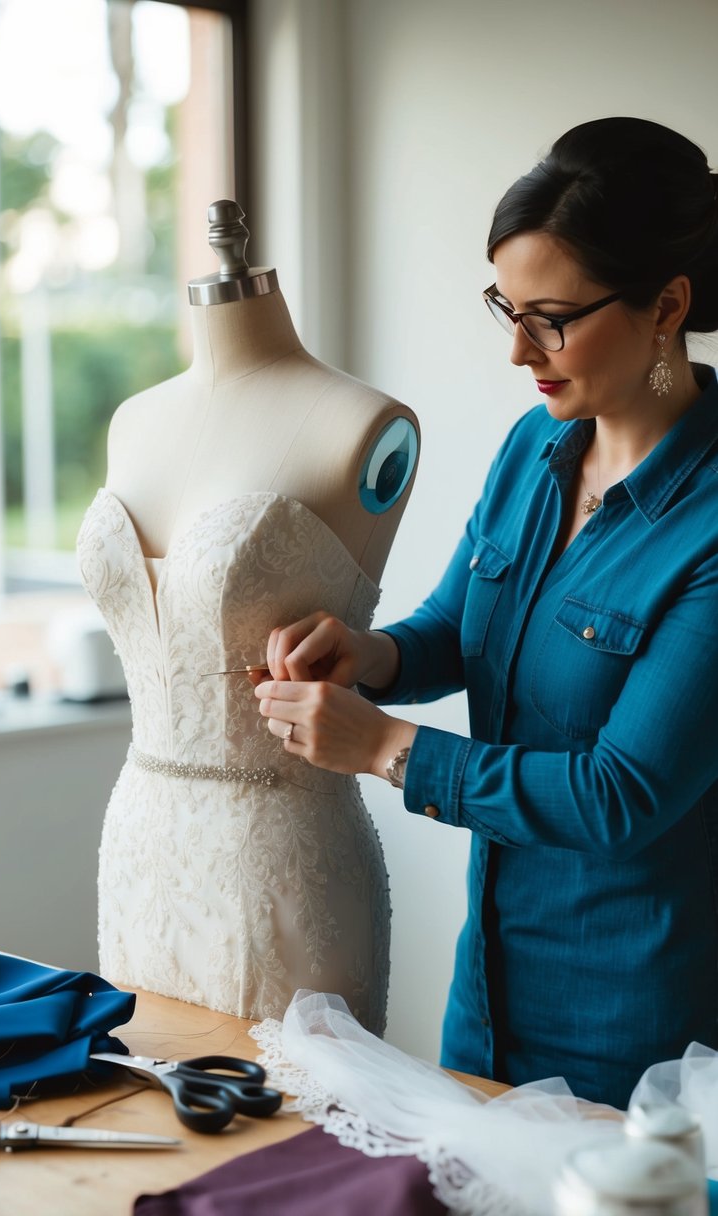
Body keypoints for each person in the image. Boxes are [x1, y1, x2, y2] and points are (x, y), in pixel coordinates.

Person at [253, 117, 718, 1109]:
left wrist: (386, 748)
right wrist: (369, 656)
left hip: (640, 1029)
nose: (516, 351)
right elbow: (461, 631)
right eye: (504, 308)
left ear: (665, 304)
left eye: (549, 317)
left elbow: (619, 794)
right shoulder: (533, 447)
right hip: (487, 996)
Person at [77, 200, 419, 1031]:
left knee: (297, 1133)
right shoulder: (134, 423)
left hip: (279, 854)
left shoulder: (363, 423)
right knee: (145, 1119)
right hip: (139, 843)